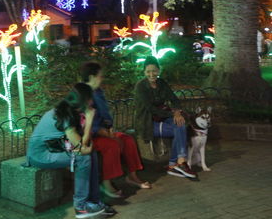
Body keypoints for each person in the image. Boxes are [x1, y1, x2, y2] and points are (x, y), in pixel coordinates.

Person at [27, 85, 115, 218]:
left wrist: (87, 144)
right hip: (40, 155)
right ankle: (81, 206)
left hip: (56, 149)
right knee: (83, 158)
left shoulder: (70, 110)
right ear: (85, 101)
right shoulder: (65, 116)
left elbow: (83, 144)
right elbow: (81, 148)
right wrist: (90, 121)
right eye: (91, 99)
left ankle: (94, 201)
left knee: (91, 154)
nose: (93, 102)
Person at [81, 62, 150, 198]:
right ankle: (106, 182)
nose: (102, 78)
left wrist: (109, 128)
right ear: (91, 77)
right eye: (100, 76)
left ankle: (132, 176)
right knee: (112, 145)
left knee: (127, 139)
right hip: (88, 136)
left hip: (103, 131)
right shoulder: (83, 94)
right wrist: (104, 132)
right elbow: (83, 121)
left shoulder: (98, 91)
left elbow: (105, 115)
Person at [134, 56, 196, 179]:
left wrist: (177, 112)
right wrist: (173, 114)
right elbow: (151, 109)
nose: (152, 74)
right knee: (178, 130)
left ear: (159, 70)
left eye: (154, 71)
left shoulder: (161, 83)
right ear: (144, 72)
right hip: (148, 122)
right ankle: (177, 163)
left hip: (163, 117)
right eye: (148, 71)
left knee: (180, 125)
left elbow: (174, 99)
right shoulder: (140, 87)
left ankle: (177, 162)